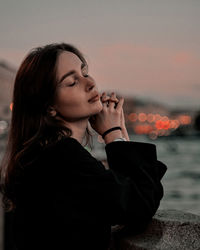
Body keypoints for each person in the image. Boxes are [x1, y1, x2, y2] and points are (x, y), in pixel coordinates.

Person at [0, 43, 167, 250]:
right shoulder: (62, 157)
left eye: (84, 72)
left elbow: (126, 191)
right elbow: (139, 205)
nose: (89, 82)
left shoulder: (39, 155)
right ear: (49, 107)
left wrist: (119, 131)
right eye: (72, 82)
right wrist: (112, 133)